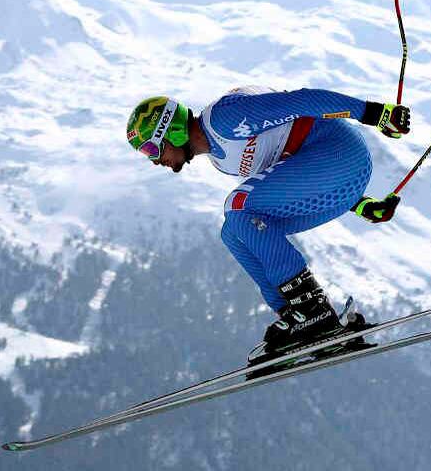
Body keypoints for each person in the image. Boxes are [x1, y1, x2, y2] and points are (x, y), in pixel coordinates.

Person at [125, 87, 410, 368]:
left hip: (339, 152)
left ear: (171, 130)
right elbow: (291, 181)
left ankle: (312, 309)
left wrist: (375, 113)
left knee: (237, 206)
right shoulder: (222, 160)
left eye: (151, 148)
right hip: (334, 179)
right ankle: (296, 317)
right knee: (234, 231)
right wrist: (361, 205)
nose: (153, 160)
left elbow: (301, 101)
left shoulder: (224, 120)